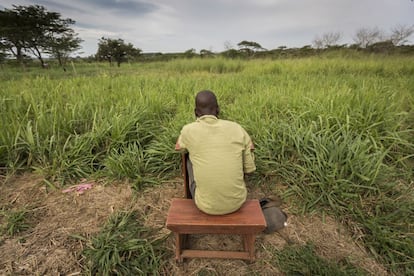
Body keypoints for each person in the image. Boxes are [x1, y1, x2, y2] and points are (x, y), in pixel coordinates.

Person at [175, 90, 256, 215]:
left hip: (205, 205)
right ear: (218, 110)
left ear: (196, 112)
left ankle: (194, 196)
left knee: (189, 156)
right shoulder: (237, 128)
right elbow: (249, 170)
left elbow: (179, 148)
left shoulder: (188, 130)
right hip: (237, 202)